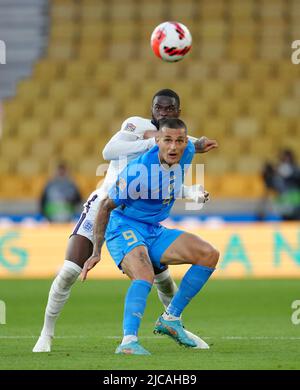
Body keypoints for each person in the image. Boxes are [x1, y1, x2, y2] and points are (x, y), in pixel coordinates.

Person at [33, 89, 218, 353]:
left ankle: (175, 323)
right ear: (151, 108)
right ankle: (46, 334)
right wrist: (153, 142)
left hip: (140, 213)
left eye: (169, 109)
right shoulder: (136, 126)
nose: (162, 112)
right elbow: (109, 151)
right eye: (158, 107)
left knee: (163, 279)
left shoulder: (175, 142)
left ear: (178, 111)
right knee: (70, 271)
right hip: (106, 204)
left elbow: (175, 166)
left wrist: (192, 183)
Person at [82, 118, 219, 355]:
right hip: (123, 226)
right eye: (167, 141)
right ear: (157, 141)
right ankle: (128, 342)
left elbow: (193, 148)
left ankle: (171, 319)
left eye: (179, 141)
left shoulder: (187, 151)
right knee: (145, 274)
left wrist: (202, 143)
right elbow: (105, 206)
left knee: (209, 254)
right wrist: (96, 251)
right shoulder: (138, 172)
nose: (173, 147)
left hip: (153, 229)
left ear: (187, 141)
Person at [261, 149, 300, 220]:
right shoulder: (277, 173)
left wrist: (290, 172)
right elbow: (270, 184)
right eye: (283, 158)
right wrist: (267, 175)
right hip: (284, 204)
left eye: (287, 157)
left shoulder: (296, 169)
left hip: (296, 205)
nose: (285, 160)